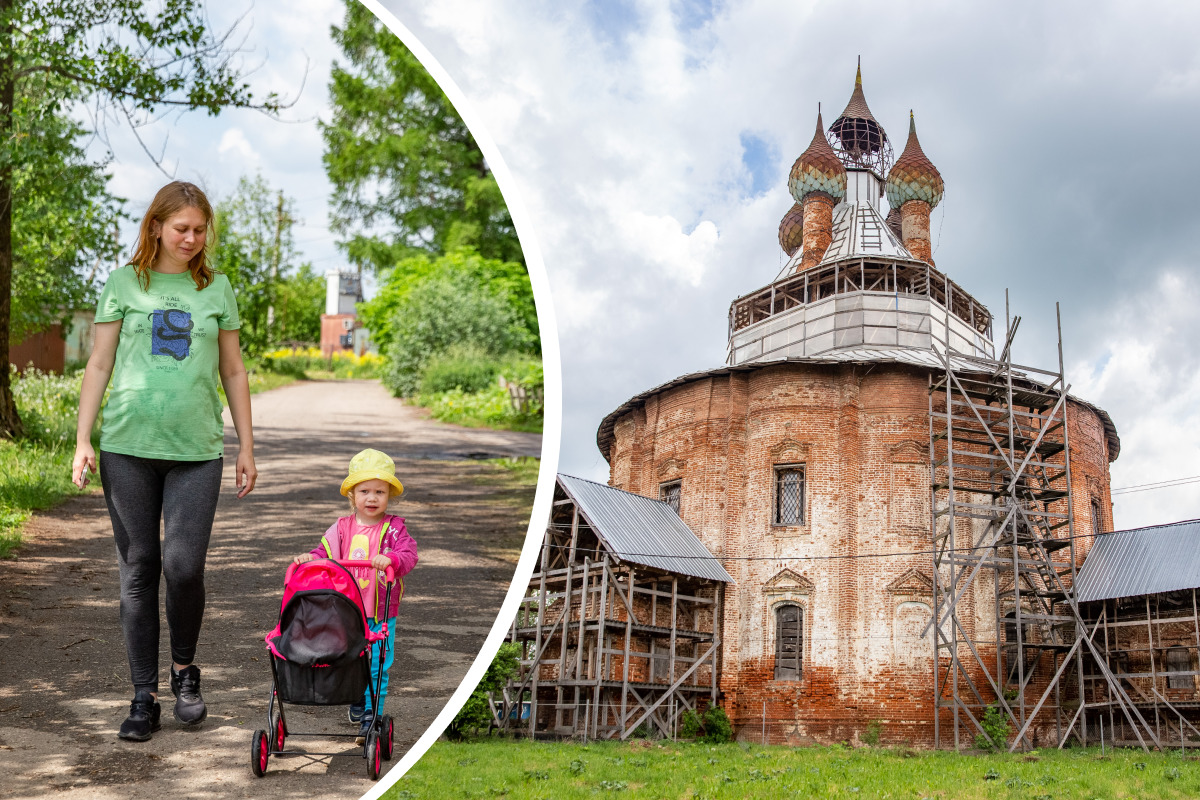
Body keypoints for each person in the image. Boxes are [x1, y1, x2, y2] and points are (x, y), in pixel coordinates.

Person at [72, 181, 258, 742]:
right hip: (126, 447)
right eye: (181, 229)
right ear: (155, 226)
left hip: (196, 452)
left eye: (200, 230)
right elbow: (99, 365)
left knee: (183, 567)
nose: (192, 239)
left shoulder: (217, 288)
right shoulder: (124, 283)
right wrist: (83, 439)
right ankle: (141, 696)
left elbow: (233, 371)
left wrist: (248, 445)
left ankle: (185, 671)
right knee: (138, 570)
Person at [293, 448, 417, 743]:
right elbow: (322, 552)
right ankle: (358, 700)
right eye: (364, 491)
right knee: (346, 658)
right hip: (344, 611)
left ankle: (371, 719)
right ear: (352, 495)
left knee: (378, 664)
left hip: (381, 611)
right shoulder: (341, 528)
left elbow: (408, 554)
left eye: (379, 492)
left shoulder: (394, 529)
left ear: (389, 496)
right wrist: (308, 559)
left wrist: (392, 561)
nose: (372, 498)